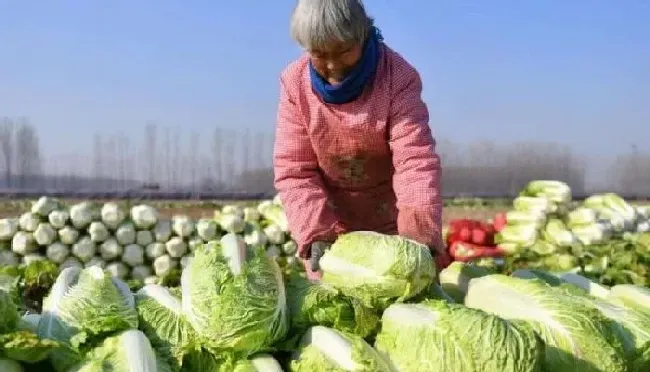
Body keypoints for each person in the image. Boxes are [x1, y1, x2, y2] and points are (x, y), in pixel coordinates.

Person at [273, 0, 451, 280]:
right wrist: (316, 231)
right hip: (332, 227)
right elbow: (295, 169)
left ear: (363, 35)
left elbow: (414, 160)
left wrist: (418, 234)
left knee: (404, 291)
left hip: (393, 223)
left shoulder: (397, 76)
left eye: (343, 51)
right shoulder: (295, 83)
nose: (332, 66)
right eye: (319, 54)